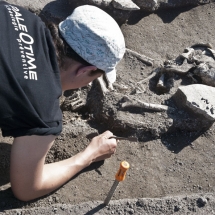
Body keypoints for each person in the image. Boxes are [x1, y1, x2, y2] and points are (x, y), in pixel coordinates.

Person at [0, 1, 125, 201]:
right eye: (93, 78)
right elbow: (28, 188)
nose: (85, 85)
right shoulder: (41, 108)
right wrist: (89, 155)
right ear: (85, 70)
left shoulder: (20, 15)